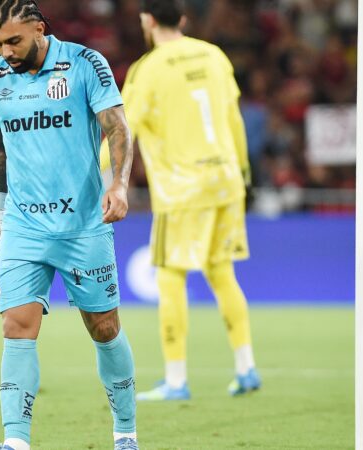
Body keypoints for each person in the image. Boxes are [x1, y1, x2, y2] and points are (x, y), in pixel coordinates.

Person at [0, 1, 139, 449]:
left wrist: (120, 186)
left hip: (83, 224)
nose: (5, 52)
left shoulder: (85, 64)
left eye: (14, 41)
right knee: (16, 326)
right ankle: (16, 441)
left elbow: (118, 127)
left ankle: (125, 433)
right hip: (25, 227)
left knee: (104, 328)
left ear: (40, 29)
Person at [104, 0, 261, 401]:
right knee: (221, 272)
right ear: (184, 20)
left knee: (171, 274)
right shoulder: (214, 56)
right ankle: (246, 368)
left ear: (148, 20)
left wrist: (91, 169)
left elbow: (124, 131)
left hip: (183, 188)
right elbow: (234, 119)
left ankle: (176, 379)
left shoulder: (148, 69)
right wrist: (243, 171)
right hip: (226, 179)